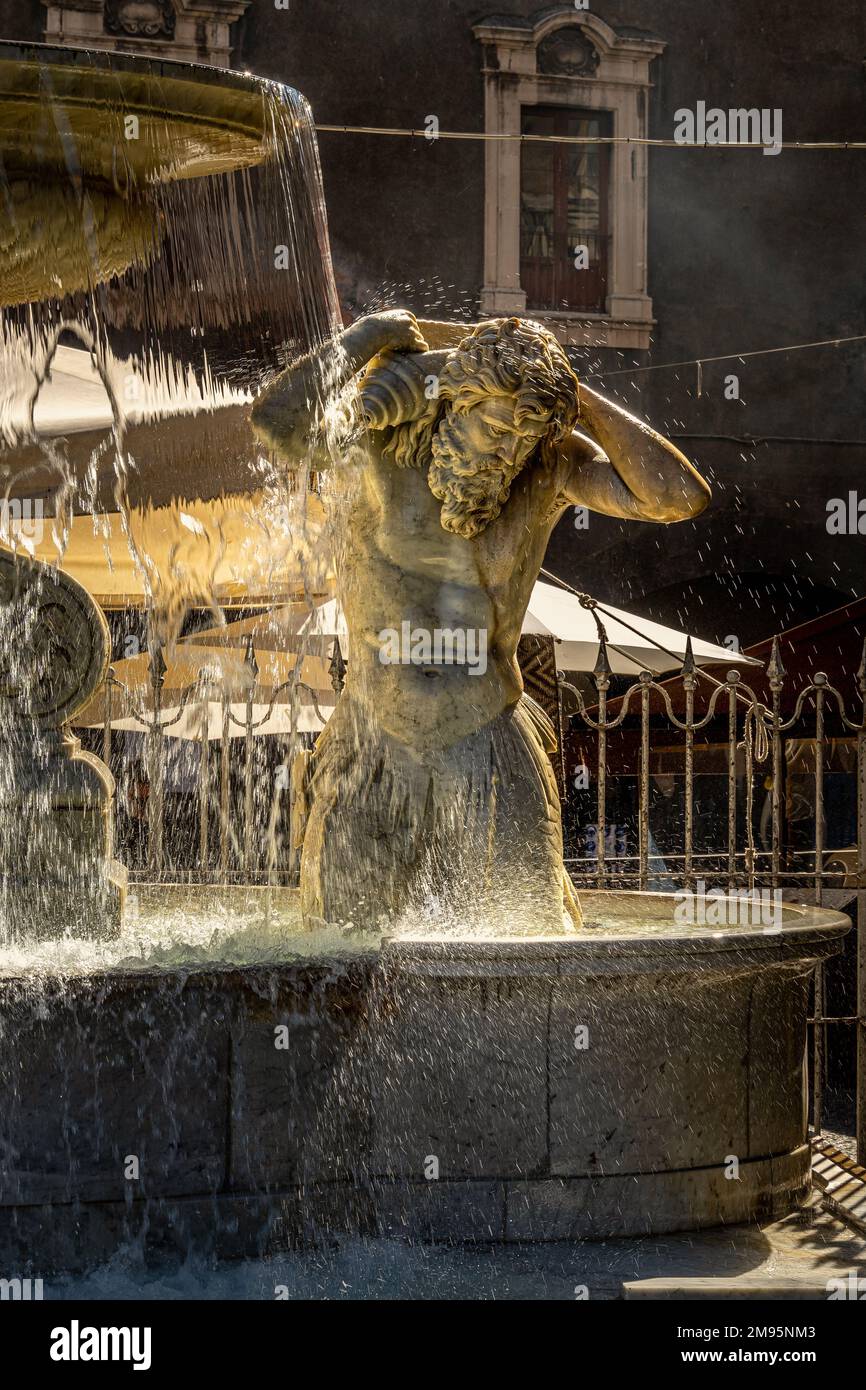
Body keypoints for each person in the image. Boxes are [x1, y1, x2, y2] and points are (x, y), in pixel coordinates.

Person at [252, 312, 710, 931]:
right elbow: (275, 421)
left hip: (490, 732)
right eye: (496, 428)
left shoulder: (546, 465)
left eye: (523, 440)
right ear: (455, 398)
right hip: (375, 733)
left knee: (528, 942)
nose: (507, 451)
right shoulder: (372, 445)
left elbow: (676, 497)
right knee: (341, 945)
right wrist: (370, 334)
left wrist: (578, 397)